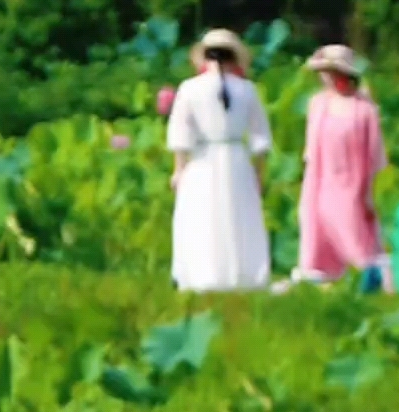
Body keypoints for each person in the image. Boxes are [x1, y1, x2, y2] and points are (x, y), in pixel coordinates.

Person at [166, 28, 273, 292]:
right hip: (237, 158)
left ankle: (203, 274)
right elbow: (261, 137)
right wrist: (259, 174)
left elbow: (181, 134)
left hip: (203, 160)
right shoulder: (248, 90)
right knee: (239, 216)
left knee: (203, 216)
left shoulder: (189, 89)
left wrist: (178, 169)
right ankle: (242, 274)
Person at [292, 43, 387, 286]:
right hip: (321, 176)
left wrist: (369, 190)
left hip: (352, 178)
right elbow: (311, 147)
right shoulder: (318, 103)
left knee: (350, 223)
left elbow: (375, 153)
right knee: (316, 221)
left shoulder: (364, 109)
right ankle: (320, 273)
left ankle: (365, 271)